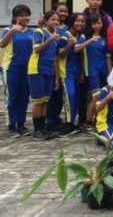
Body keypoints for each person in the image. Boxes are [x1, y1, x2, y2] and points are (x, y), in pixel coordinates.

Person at [1, 5, 34, 138]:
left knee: (24, 97)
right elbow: (2, 44)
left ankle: (21, 124)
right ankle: (11, 126)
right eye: (21, 15)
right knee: (12, 97)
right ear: (15, 17)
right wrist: (12, 31)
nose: (25, 17)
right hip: (11, 68)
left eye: (27, 14)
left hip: (27, 69)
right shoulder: (8, 29)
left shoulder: (32, 31)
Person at [28, 10, 61, 141]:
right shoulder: (39, 32)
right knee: (38, 101)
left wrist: (56, 77)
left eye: (58, 20)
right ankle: (37, 130)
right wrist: (50, 39)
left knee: (45, 100)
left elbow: (54, 58)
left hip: (49, 71)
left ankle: (43, 128)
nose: (56, 22)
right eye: (53, 19)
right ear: (46, 21)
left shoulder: (55, 36)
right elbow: (37, 49)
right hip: (37, 69)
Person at [53, 12, 85, 137]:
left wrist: (82, 71)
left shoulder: (80, 36)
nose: (80, 23)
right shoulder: (65, 36)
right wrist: (70, 45)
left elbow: (81, 55)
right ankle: (68, 124)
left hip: (76, 71)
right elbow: (60, 54)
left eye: (82, 21)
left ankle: (72, 123)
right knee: (69, 96)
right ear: (71, 22)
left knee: (76, 97)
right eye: (78, 21)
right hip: (65, 72)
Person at [76, 14, 109, 130]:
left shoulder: (105, 38)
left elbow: (108, 56)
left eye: (99, 23)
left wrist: (109, 71)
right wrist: (90, 40)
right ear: (90, 24)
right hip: (91, 71)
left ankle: (98, 119)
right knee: (95, 96)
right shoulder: (85, 36)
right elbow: (77, 48)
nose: (97, 25)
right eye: (94, 23)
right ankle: (88, 121)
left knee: (103, 96)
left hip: (103, 70)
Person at [46, 2, 69, 133]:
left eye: (65, 11)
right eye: (60, 11)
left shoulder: (67, 28)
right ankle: (50, 121)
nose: (63, 13)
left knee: (59, 95)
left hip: (63, 66)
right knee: (52, 95)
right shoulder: (50, 29)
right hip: (51, 65)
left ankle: (55, 119)